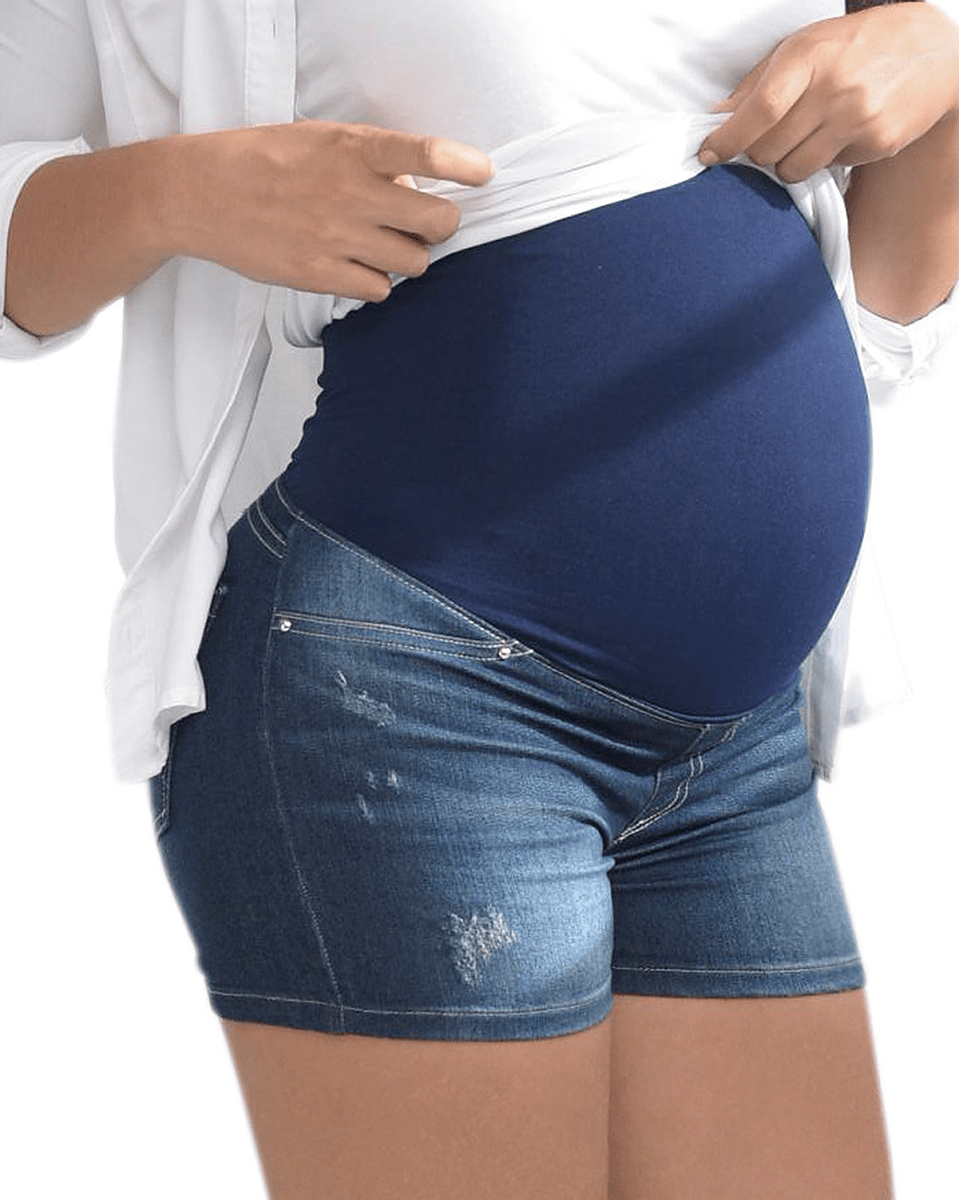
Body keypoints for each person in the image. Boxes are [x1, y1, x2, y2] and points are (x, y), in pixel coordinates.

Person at [3, 1, 958, 1197]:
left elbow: (882, 313)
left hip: (733, 738)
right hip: (399, 699)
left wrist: (943, 58)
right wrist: (176, 193)